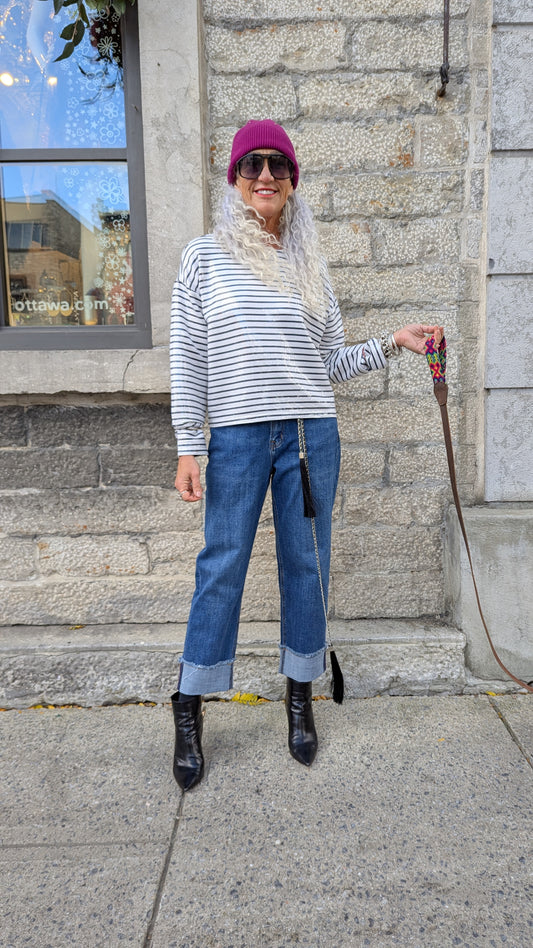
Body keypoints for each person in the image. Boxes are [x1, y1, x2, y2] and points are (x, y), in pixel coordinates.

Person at [169, 119, 443, 791]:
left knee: (307, 566)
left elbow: (329, 363)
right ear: (235, 178)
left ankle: (299, 695)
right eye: (252, 165)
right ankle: (190, 704)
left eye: (278, 165)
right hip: (237, 437)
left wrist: (392, 342)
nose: (265, 176)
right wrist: (187, 446)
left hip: (309, 435)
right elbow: (189, 357)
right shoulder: (203, 258)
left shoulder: (309, 263)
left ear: (292, 180)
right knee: (221, 566)